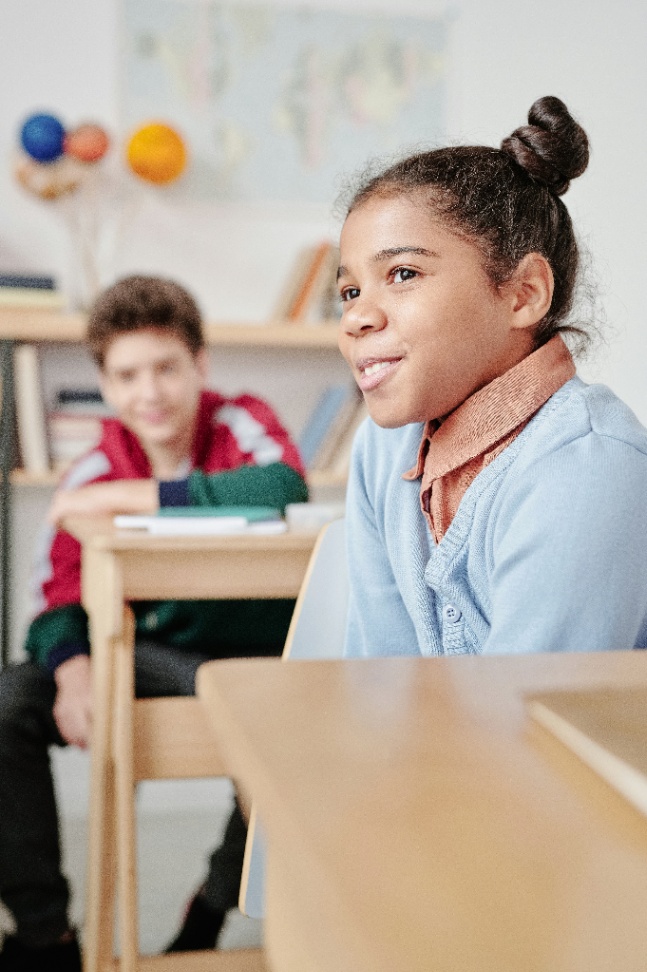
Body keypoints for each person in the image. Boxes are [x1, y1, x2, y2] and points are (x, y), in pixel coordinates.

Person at [0, 274, 308, 971]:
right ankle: (44, 932)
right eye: (128, 374)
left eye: (167, 368)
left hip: (253, 658)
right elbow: (57, 595)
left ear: (199, 364)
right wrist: (73, 670)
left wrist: (142, 495)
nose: (151, 392)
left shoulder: (240, 423)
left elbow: (281, 486)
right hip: (142, 655)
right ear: (106, 385)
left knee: (282, 714)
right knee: (8, 703)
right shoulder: (91, 470)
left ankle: (210, 903)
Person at [336, 95, 647, 657]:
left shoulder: (590, 462)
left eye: (402, 273)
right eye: (350, 291)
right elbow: (378, 675)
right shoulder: (379, 452)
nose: (357, 315)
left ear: (523, 295)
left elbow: (533, 719)